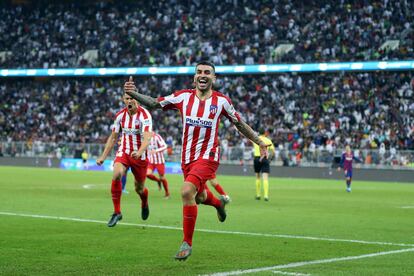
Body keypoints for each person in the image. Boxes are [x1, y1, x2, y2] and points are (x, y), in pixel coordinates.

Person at [124, 61, 269, 261]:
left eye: (207, 72)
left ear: (214, 78)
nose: (203, 75)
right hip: (187, 159)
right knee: (199, 197)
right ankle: (218, 204)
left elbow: (240, 123)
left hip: (208, 156)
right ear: (194, 77)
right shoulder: (182, 97)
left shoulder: (221, 102)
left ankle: (187, 243)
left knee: (185, 191)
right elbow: (154, 103)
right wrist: (134, 93)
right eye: (199, 72)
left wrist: (259, 141)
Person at [96, 91, 153, 227]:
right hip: (124, 152)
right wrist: (103, 156)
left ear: (137, 100)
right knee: (116, 174)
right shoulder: (120, 116)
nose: (129, 101)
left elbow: (147, 137)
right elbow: (114, 137)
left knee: (139, 189)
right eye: (127, 99)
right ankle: (117, 212)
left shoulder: (145, 115)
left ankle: (144, 202)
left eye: (132, 99)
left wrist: (139, 152)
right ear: (123, 99)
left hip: (140, 157)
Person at [253, 128, 276, 201]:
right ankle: (266, 196)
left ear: (259, 133)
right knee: (265, 177)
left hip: (257, 158)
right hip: (265, 158)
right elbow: (273, 152)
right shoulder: (268, 140)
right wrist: (270, 160)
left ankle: (258, 195)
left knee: (257, 177)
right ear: (265, 133)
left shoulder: (255, 139)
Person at [146, 132, 170, 198]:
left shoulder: (157, 137)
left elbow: (165, 146)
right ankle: (158, 181)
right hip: (151, 161)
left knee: (162, 177)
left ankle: (167, 193)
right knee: (147, 174)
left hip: (160, 161)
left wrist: (156, 150)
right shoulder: (145, 137)